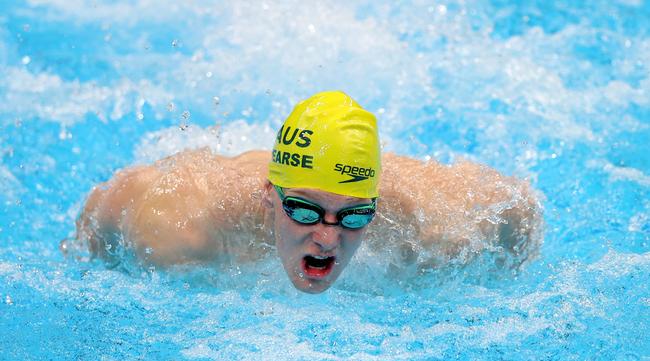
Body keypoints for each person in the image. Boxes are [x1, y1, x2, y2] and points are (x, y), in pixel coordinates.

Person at [64, 91, 543, 293]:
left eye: (352, 216)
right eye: (304, 211)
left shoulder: (427, 224)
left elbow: (518, 208)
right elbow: (98, 214)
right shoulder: (179, 225)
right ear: (270, 195)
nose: (327, 239)